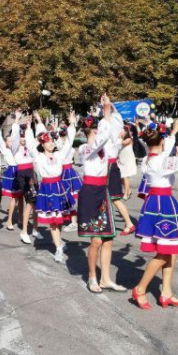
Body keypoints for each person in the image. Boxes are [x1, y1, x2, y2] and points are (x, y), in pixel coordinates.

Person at [131, 116, 178, 310]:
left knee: (172, 249)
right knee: (165, 251)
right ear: (161, 142)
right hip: (163, 204)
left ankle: (166, 292)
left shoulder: (148, 159)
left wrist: (171, 133)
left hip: (156, 203)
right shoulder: (161, 163)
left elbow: (163, 149)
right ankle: (140, 289)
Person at [76, 95, 127, 293]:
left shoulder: (104, 147)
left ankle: (106, 278)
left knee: (108, 238)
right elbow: (103, 138)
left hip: (102, 191)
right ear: (93, 131)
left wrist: (111, 111)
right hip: (89, 192)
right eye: (97, 128)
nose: (100, 131)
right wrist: (104, 116)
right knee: (95, 239)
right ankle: (92, 277)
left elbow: (115, 133)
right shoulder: (84, 148)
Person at [25, 111, 77, 262]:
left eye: (52, 141)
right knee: (53, 223)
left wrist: (72, 123)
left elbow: (69, 141)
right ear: (42, 144)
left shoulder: (60, 155)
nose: (51, 143)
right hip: (47, 190)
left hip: (59, 189)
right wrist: (29, 128)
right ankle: (59, 249)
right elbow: (29, 145)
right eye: (48, 142)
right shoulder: (39, 157)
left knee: (58, 219)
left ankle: (59, 243)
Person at [11, 111, 42, 244]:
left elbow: (32, 140)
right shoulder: (15, 148)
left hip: (31, 172)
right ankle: (24, 231)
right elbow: (15, 136)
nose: (23, 139)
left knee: (35, 202)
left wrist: (29, 126)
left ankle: (35, 229)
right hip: (22, 174)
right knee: (29, 202)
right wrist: (17, 121)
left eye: (24, 137)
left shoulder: (30, 147)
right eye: (21, 137)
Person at [103, 108, 135, 236]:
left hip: (110, 167)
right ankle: (106, 221)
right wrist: (109, 106)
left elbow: (114, 120)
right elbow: (116, 118)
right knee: (106, 198)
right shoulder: (113, 138)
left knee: (114, 198)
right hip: (108, 166)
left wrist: (107, 108)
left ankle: (129, 224)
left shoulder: (114, 140)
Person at [0, 126, 24, 231]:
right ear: (6, 143)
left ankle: (21, 218)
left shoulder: (17, 150)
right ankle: (9, 220)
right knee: (14, 197)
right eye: (9, 141)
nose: (11, 142)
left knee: (21, 198)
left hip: (20, 171)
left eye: (12, 141)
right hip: (12, 173)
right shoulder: (5, 150)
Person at [59, 123, 82, 233]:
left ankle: (74, 222)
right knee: (65, 197)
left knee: (70, 197)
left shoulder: (66, 148)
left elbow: (67, 146)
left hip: (67, 172)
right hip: (63, 171)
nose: (61, 137)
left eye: (63, 135)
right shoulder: (61, 147)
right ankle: (68, 218)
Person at [117, 123, 137, 201]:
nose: (122, 132)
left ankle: (126, 194)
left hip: (128, 160)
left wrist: (119, 137)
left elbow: (122, 143)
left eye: (124, 131)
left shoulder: (129, 139)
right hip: (121, 160)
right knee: (121, 176)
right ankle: (128, 190)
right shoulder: (121, 139)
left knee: (125, 176)